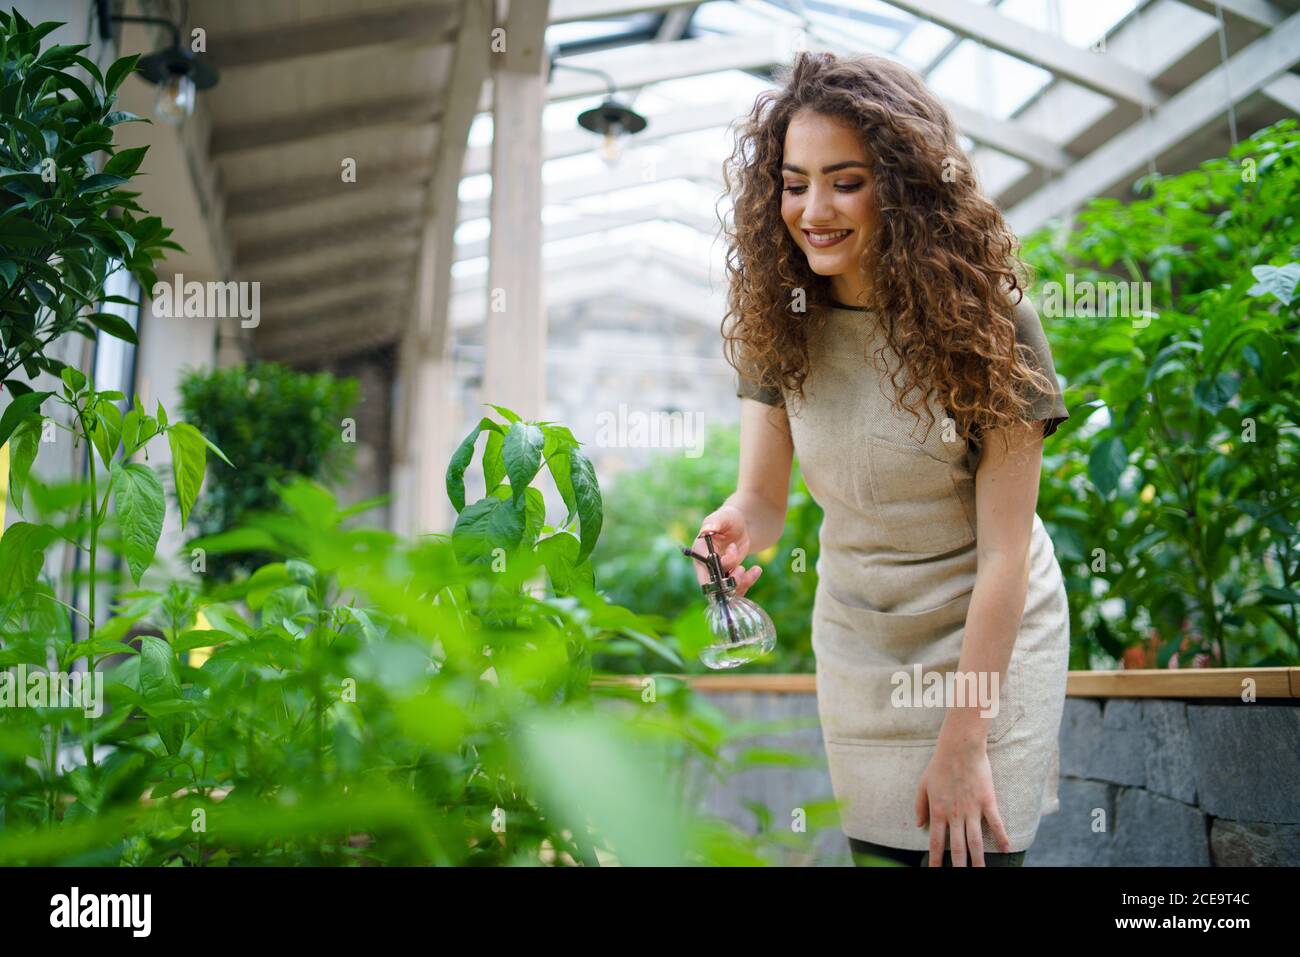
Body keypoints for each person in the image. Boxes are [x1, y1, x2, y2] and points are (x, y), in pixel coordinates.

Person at [693, 51, 1071, 868]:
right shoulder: (778, 316)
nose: (813, 209)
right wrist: (733, 530)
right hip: (861, 643)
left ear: (905, 184)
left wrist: (965, 741)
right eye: (794, 184)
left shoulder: (994, 324)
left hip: (986, 642)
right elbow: (761, 499)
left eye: (845, 181)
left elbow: (1007, 552)